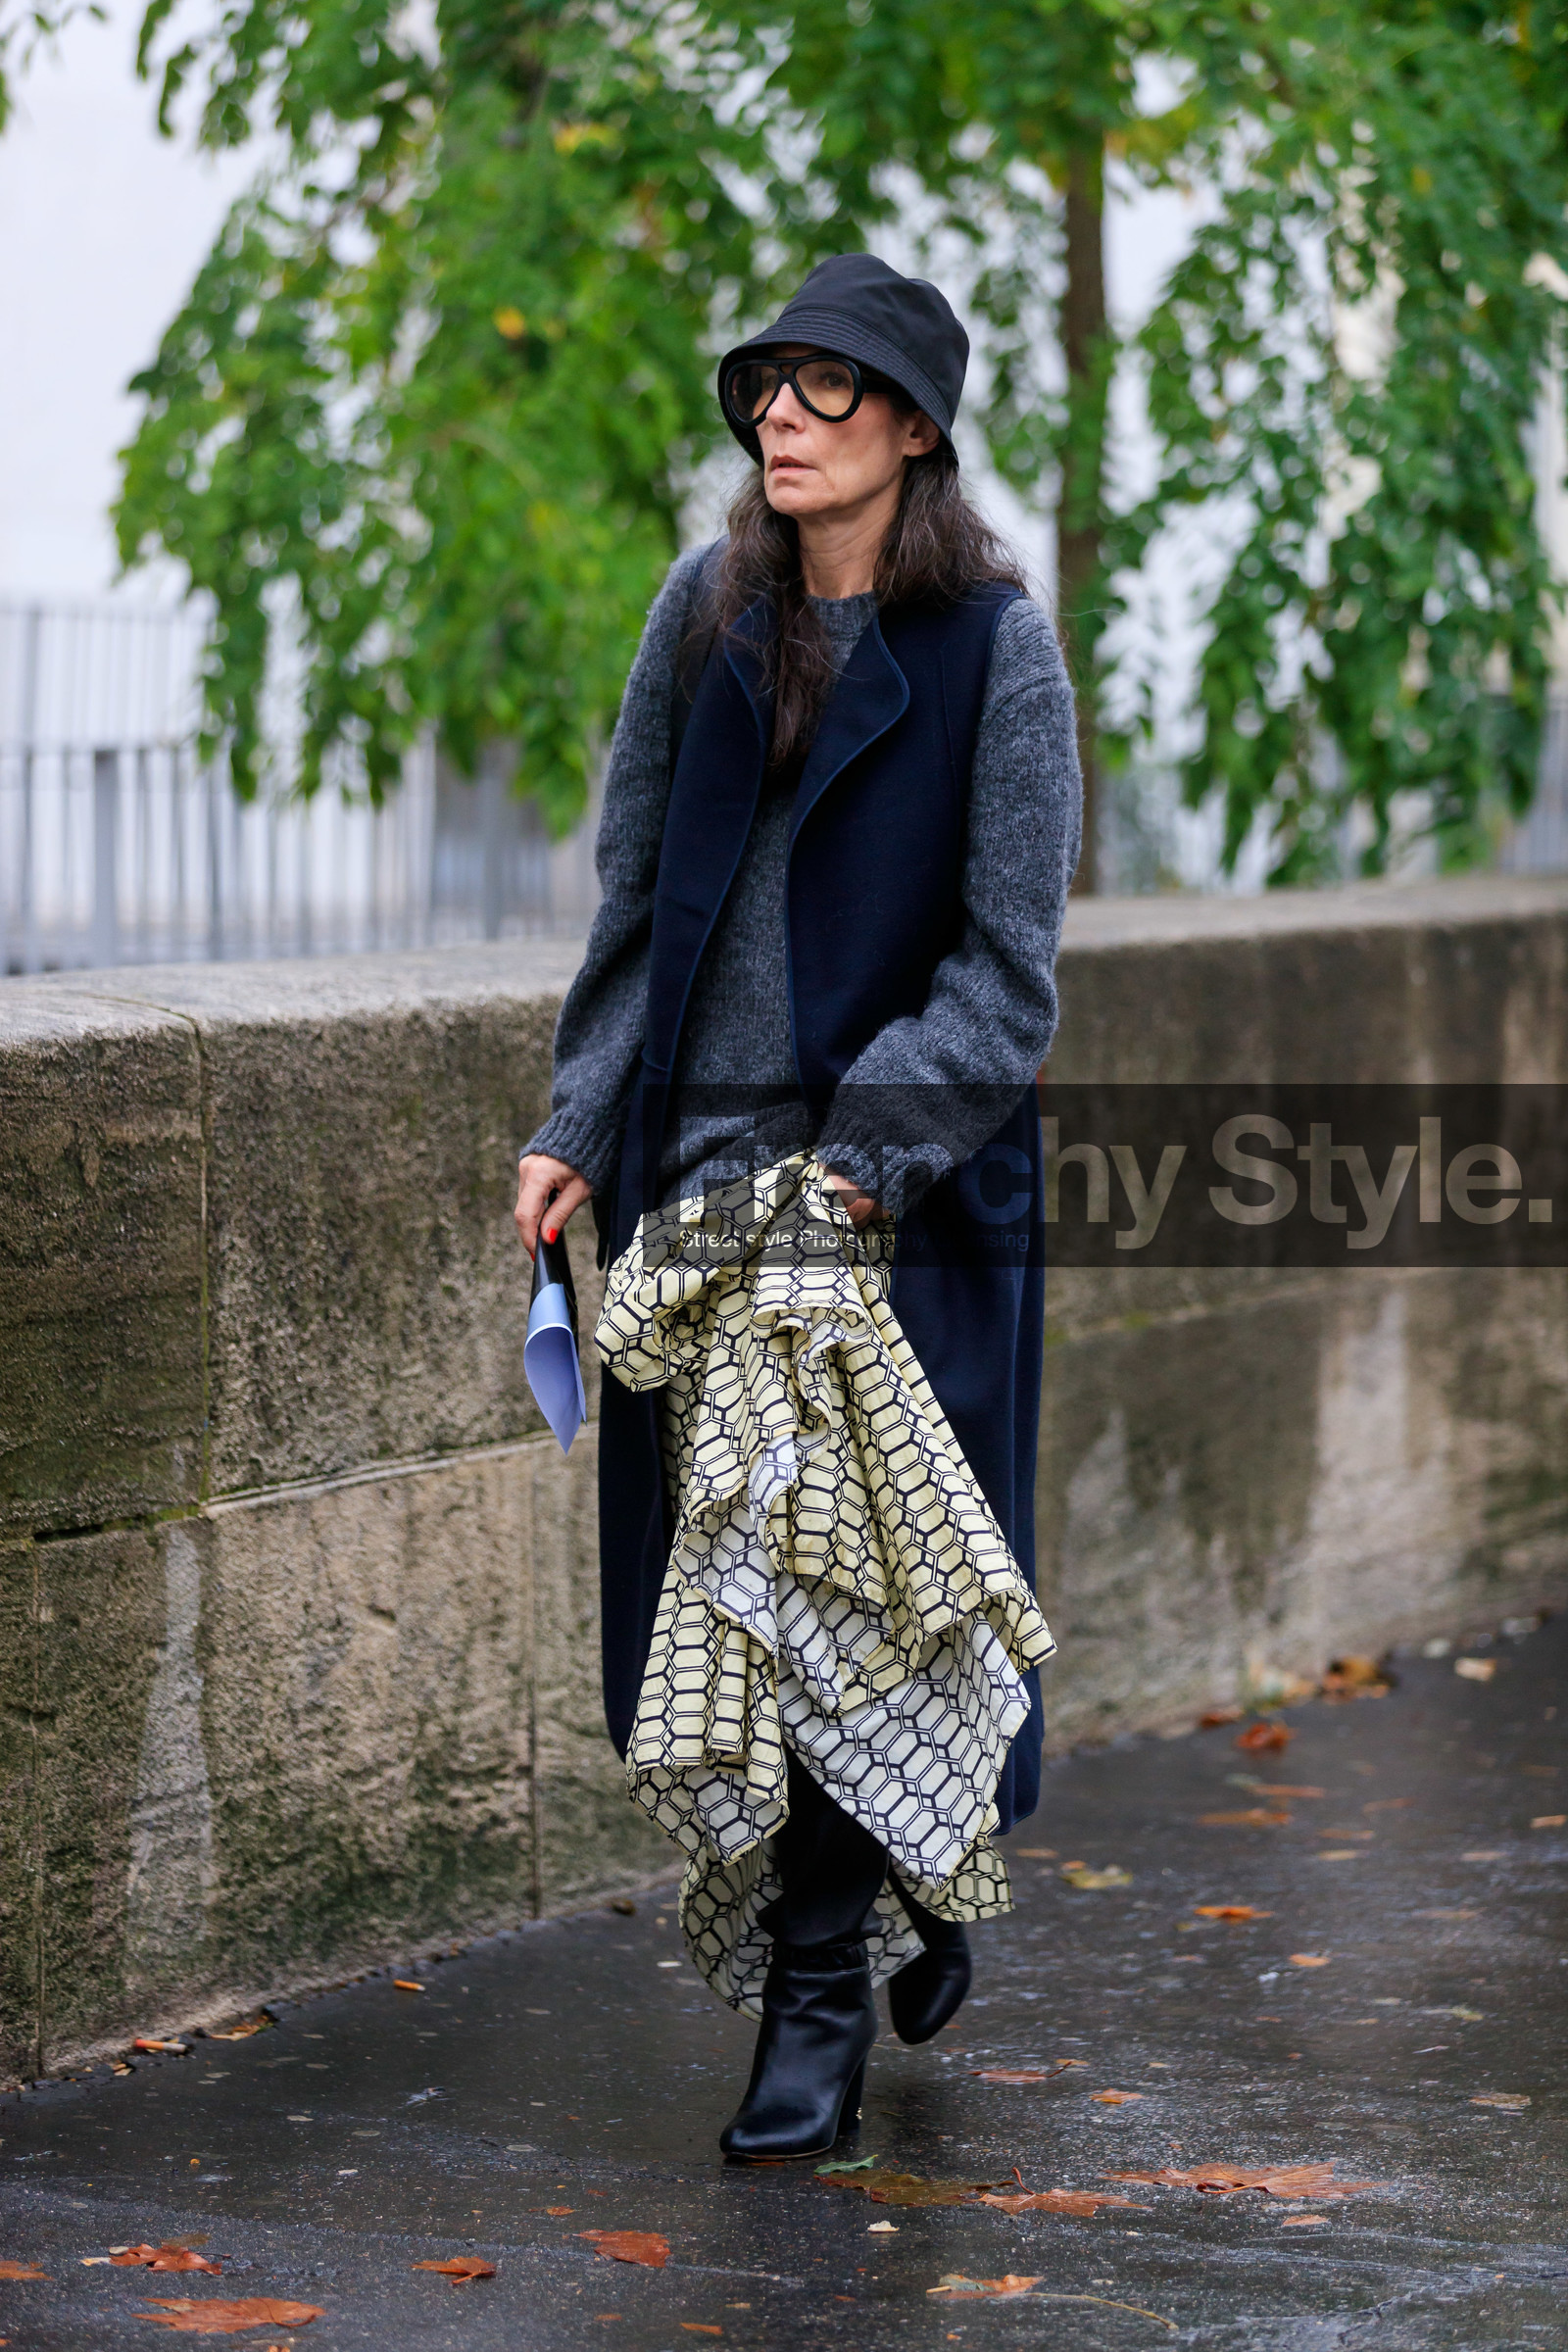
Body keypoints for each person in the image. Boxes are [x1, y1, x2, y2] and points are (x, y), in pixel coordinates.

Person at [515, 252, 1081, 2158]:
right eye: (763, 384)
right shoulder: (704, 613)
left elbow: (1008, 978)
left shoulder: (995, 651)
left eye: (823, 390)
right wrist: (575, 1121)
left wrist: (852, 1166)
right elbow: (623, 916)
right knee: (737, 1607)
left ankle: (813, 1998)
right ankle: (898, 1885)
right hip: (695, 1184)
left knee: (858, 1604)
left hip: (893, 1199)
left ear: (910, 427)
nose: (776, 414)